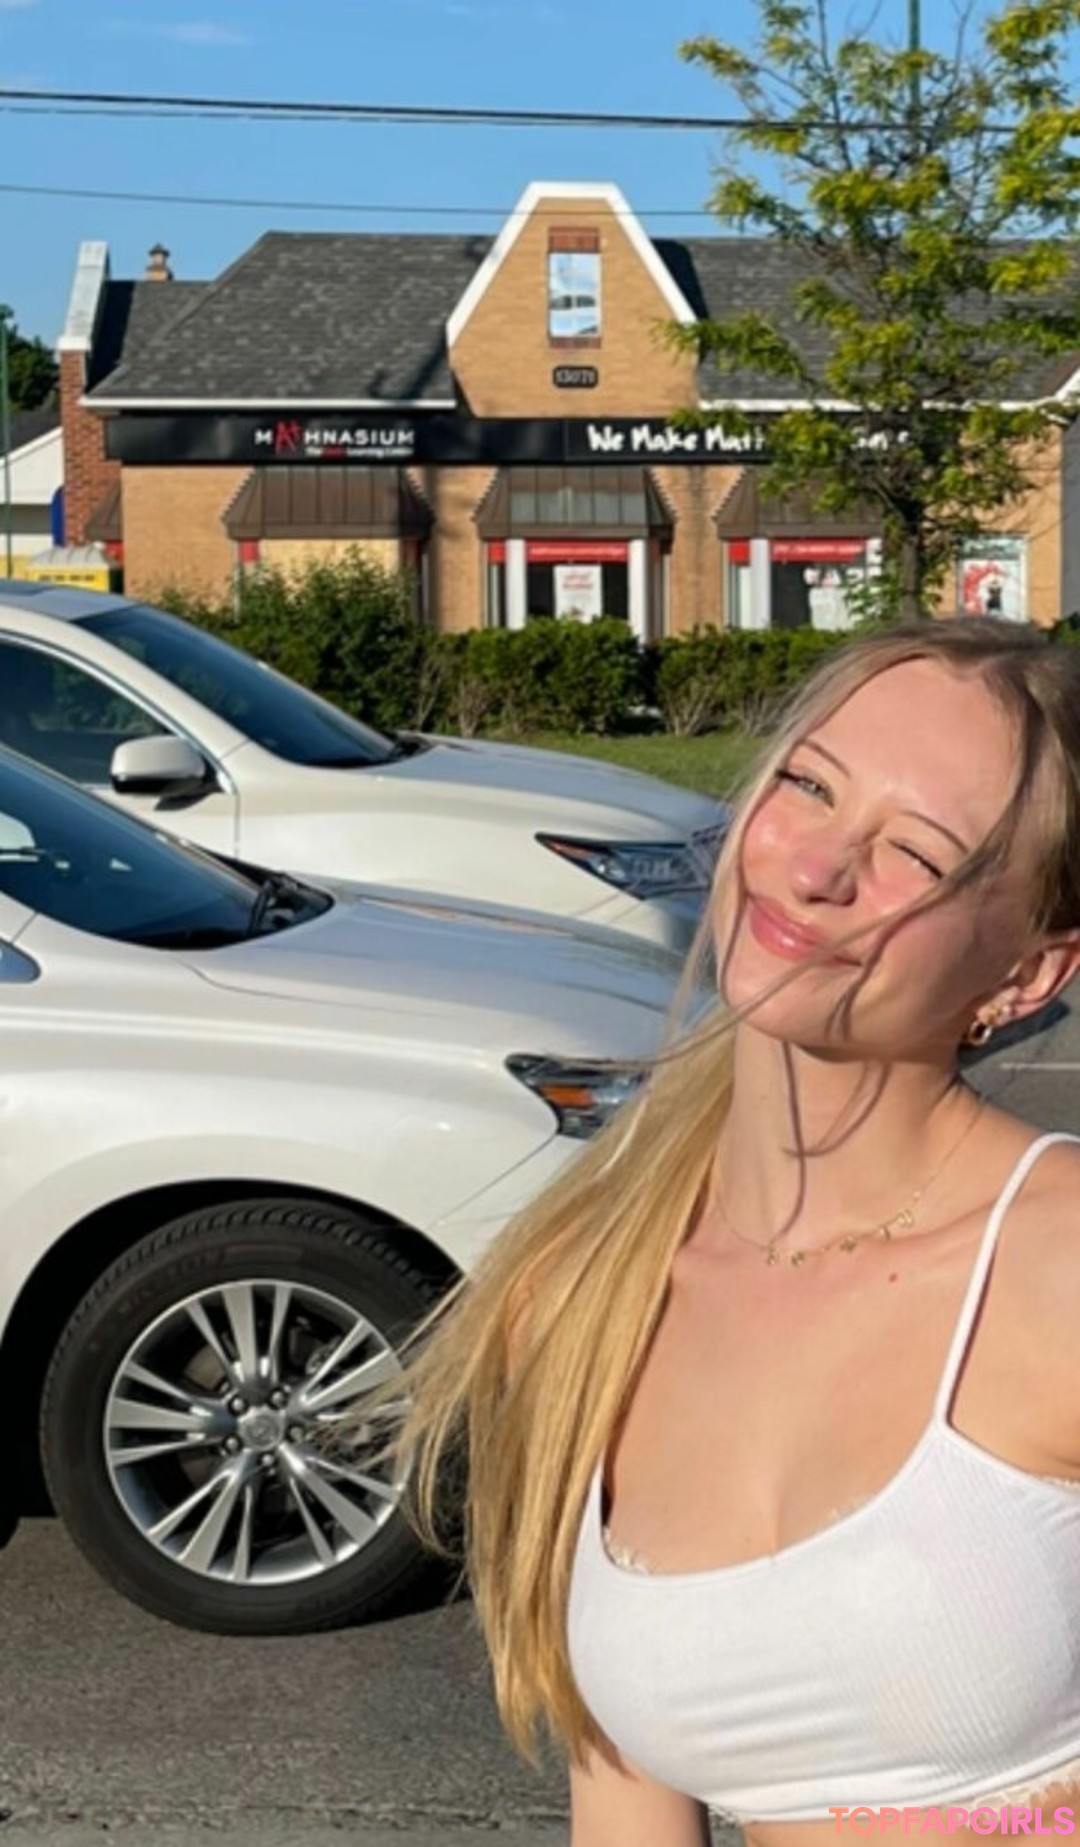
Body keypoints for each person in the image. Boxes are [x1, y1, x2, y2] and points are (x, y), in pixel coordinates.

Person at [380, 616, 1080, 1847]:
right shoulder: (578, 1289)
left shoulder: (1054, 1266)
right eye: (810, 785)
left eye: (917, 854)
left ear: (1025, 976)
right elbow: (622, 1785)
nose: (817, 868)